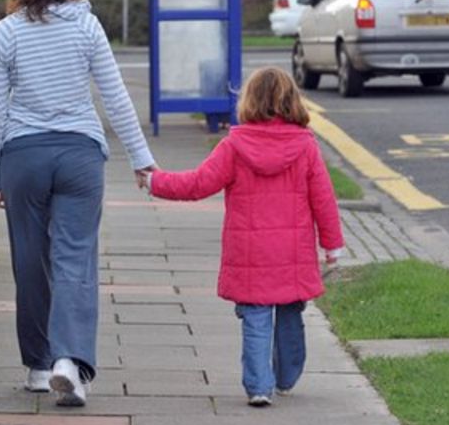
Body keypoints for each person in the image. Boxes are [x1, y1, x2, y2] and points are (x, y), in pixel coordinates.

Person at [0, 0, 155, 407]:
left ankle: (39, 366)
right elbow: (115, 97)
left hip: (23, 158)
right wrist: (141, 158)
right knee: (75, 259)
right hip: (80, 156)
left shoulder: (4, 34)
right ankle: (70, 362)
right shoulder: (87, 27)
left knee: (30, 261)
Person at [141, 67, 343, 407]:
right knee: (290, 313)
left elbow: (197, 184)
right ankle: (287, 375)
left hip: (250, 253)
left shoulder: (234, 146)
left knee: (255, 317)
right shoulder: (306, 147)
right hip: (292, 253)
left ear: (248, 101)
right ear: (292, 102)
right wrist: (332, 245)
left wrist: (154, 181)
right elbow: (323, 199)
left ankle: (259, 386)